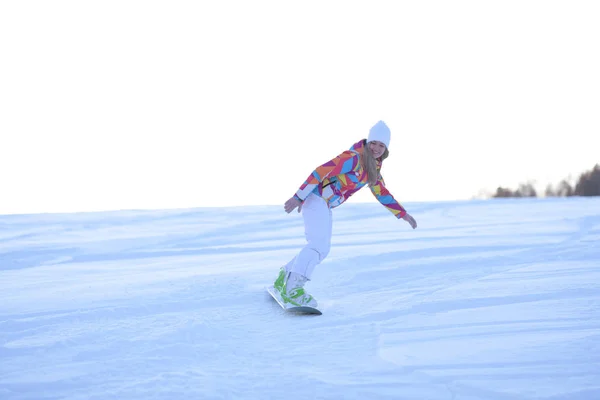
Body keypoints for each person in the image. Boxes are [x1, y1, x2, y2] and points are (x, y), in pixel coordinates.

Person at [272, 120, 417, 308]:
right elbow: (321, 171)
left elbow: (381, 192)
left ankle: (285, 276)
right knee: (318, 245)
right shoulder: (354, 158)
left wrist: (402, 214)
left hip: (323, 204)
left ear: (386, 148)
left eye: (382, 145)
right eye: (374, 143)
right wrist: (299, 196)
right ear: (368, 142)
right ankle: (293, 289)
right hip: (316, 199)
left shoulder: (372, 168)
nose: (376, 148)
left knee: (321, 248)